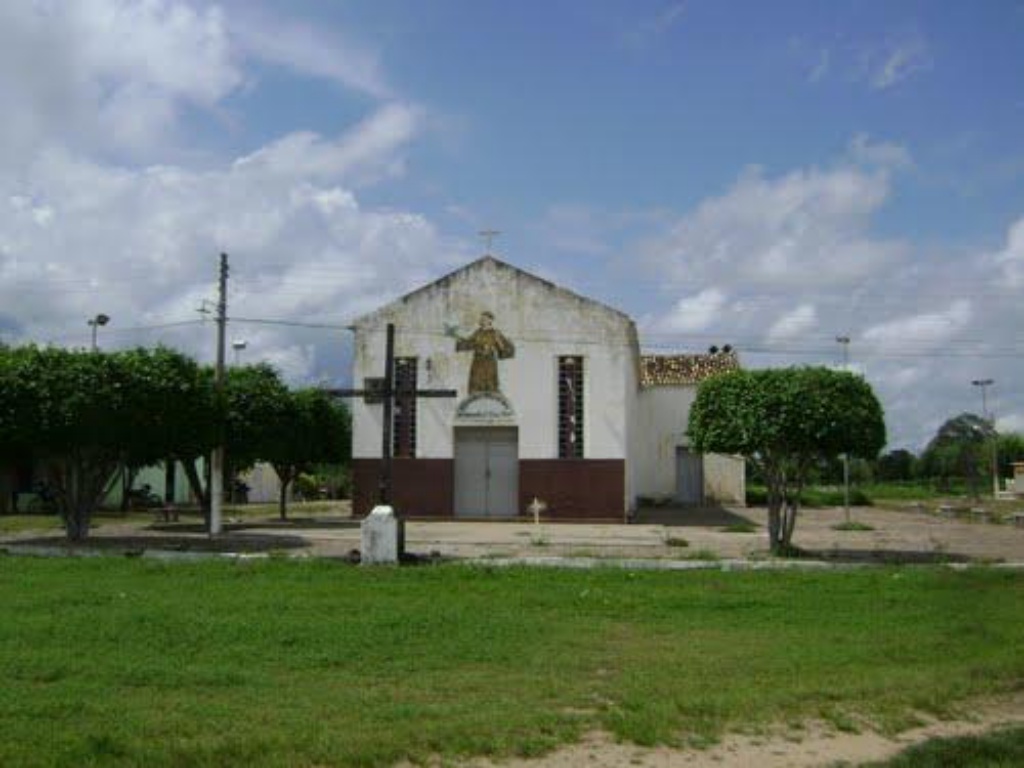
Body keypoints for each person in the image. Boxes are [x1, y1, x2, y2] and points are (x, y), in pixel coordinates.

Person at [446, 311, 515, 394]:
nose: (482, 320)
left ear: (490, 320)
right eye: (481, 319)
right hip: (477, 363)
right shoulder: (478, 332)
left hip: (489, 364)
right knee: (476, 385)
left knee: (489, 385)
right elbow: (469, 343)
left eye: (484, 319)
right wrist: (456, 337)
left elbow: (505, 347)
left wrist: (503, 346)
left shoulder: (495, 333)